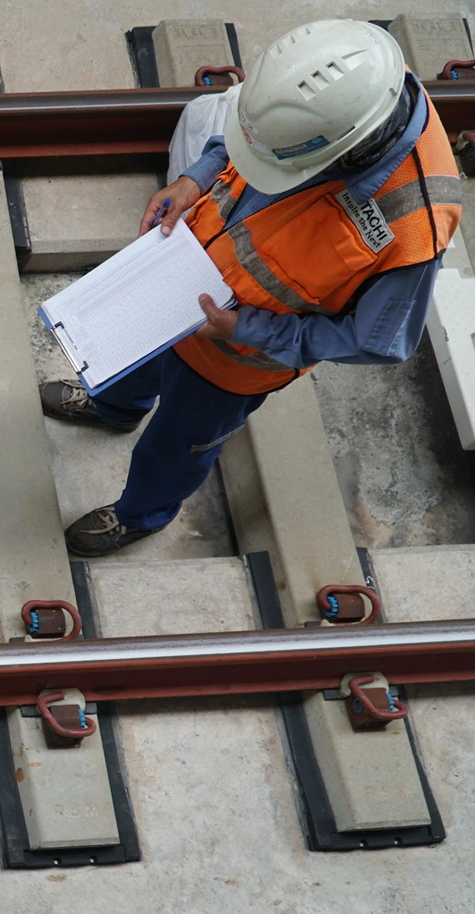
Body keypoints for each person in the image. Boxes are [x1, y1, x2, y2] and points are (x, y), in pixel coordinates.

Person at [42, 19, 462, 556]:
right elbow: (252, 134)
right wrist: (195, 177)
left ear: (345, 150)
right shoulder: (344, 74)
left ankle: (141, 514)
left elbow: (377, 340)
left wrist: (245, 326)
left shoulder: (413, 222)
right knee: (127, 357)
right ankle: (115, 407)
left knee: (177, 447)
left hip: (234, 360)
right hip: (178, 271)